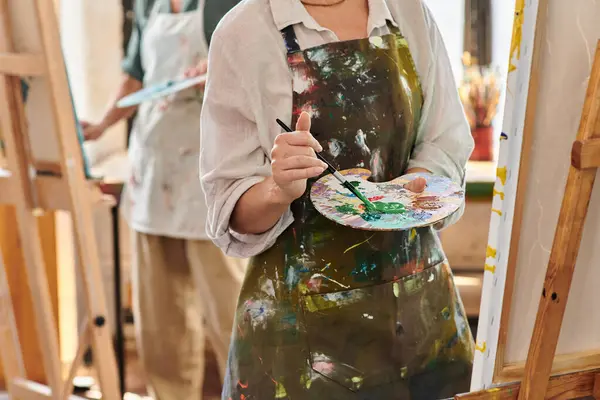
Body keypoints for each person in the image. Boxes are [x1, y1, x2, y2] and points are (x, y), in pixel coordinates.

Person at [200, 0, 476, 398]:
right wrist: (278, 189)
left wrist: (409, 190)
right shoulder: (244, 32)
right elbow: (230, 208)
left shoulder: (407, 10)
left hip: (420, 318)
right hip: (301, 339)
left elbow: (444, 139)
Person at [81, 0, 243, 398]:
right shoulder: (147, 2)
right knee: (161, 319)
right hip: (154, 165)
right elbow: (136, 76)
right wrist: (102, 125)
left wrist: (220, 75)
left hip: (210, 167)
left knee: (232, 311)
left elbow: (262, 70)